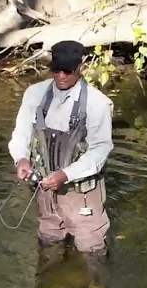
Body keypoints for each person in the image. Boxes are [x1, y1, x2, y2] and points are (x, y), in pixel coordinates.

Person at [8, 40, 114, 259]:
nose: (61, 76)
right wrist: (21, 159)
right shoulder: (34, 94)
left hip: (81, 191)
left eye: (68, 70)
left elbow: (100, 151)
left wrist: (65, 175)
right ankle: (49, 281)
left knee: (91, 245)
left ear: (80, 67)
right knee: (49, 237)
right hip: (44, 187)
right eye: (56, 70)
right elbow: (22, 133)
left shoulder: (98, 104)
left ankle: (95, 285)